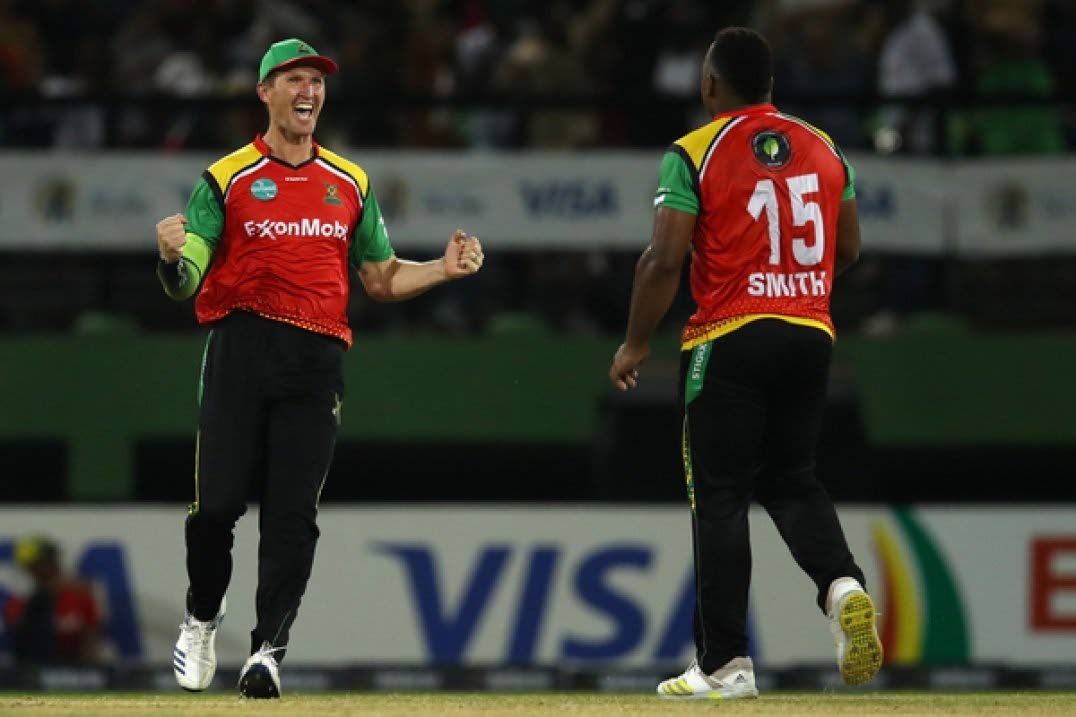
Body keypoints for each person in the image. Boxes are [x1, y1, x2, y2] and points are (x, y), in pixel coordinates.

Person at [155, 38, 484, 699]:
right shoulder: (226, 179)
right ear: (265, 93)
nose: (308, 91)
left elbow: (381, 278)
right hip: (240, 348)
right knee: (215, 509)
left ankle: (267, 653)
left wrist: (441, 269)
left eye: (317, 81)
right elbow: (188, 279)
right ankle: (201, 617)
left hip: (316, 356)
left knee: (292, 515)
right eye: (294, 80)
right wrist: (170, 258)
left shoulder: (349, 182)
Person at [608, 27, 880, 700]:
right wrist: (793, 284)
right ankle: (842, 585)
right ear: (771, 86)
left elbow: (663, 259)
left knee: (721, 496)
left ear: (709, 85)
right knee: (793, 480)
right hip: (810, 332)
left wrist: (635, 342)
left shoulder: (693, 152)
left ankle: (725, 665)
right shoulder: (824, 146)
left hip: (728, 335)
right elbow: (848, 248)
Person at [1, 536, 101, 666]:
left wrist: (85, 669)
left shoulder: (78, 595)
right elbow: (18, 630)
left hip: (71, 667)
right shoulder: (19, 598)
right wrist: (44, 593)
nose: (55, 565)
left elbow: (90, 636)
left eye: (53, 560)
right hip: (31, 667)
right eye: (27, 567)